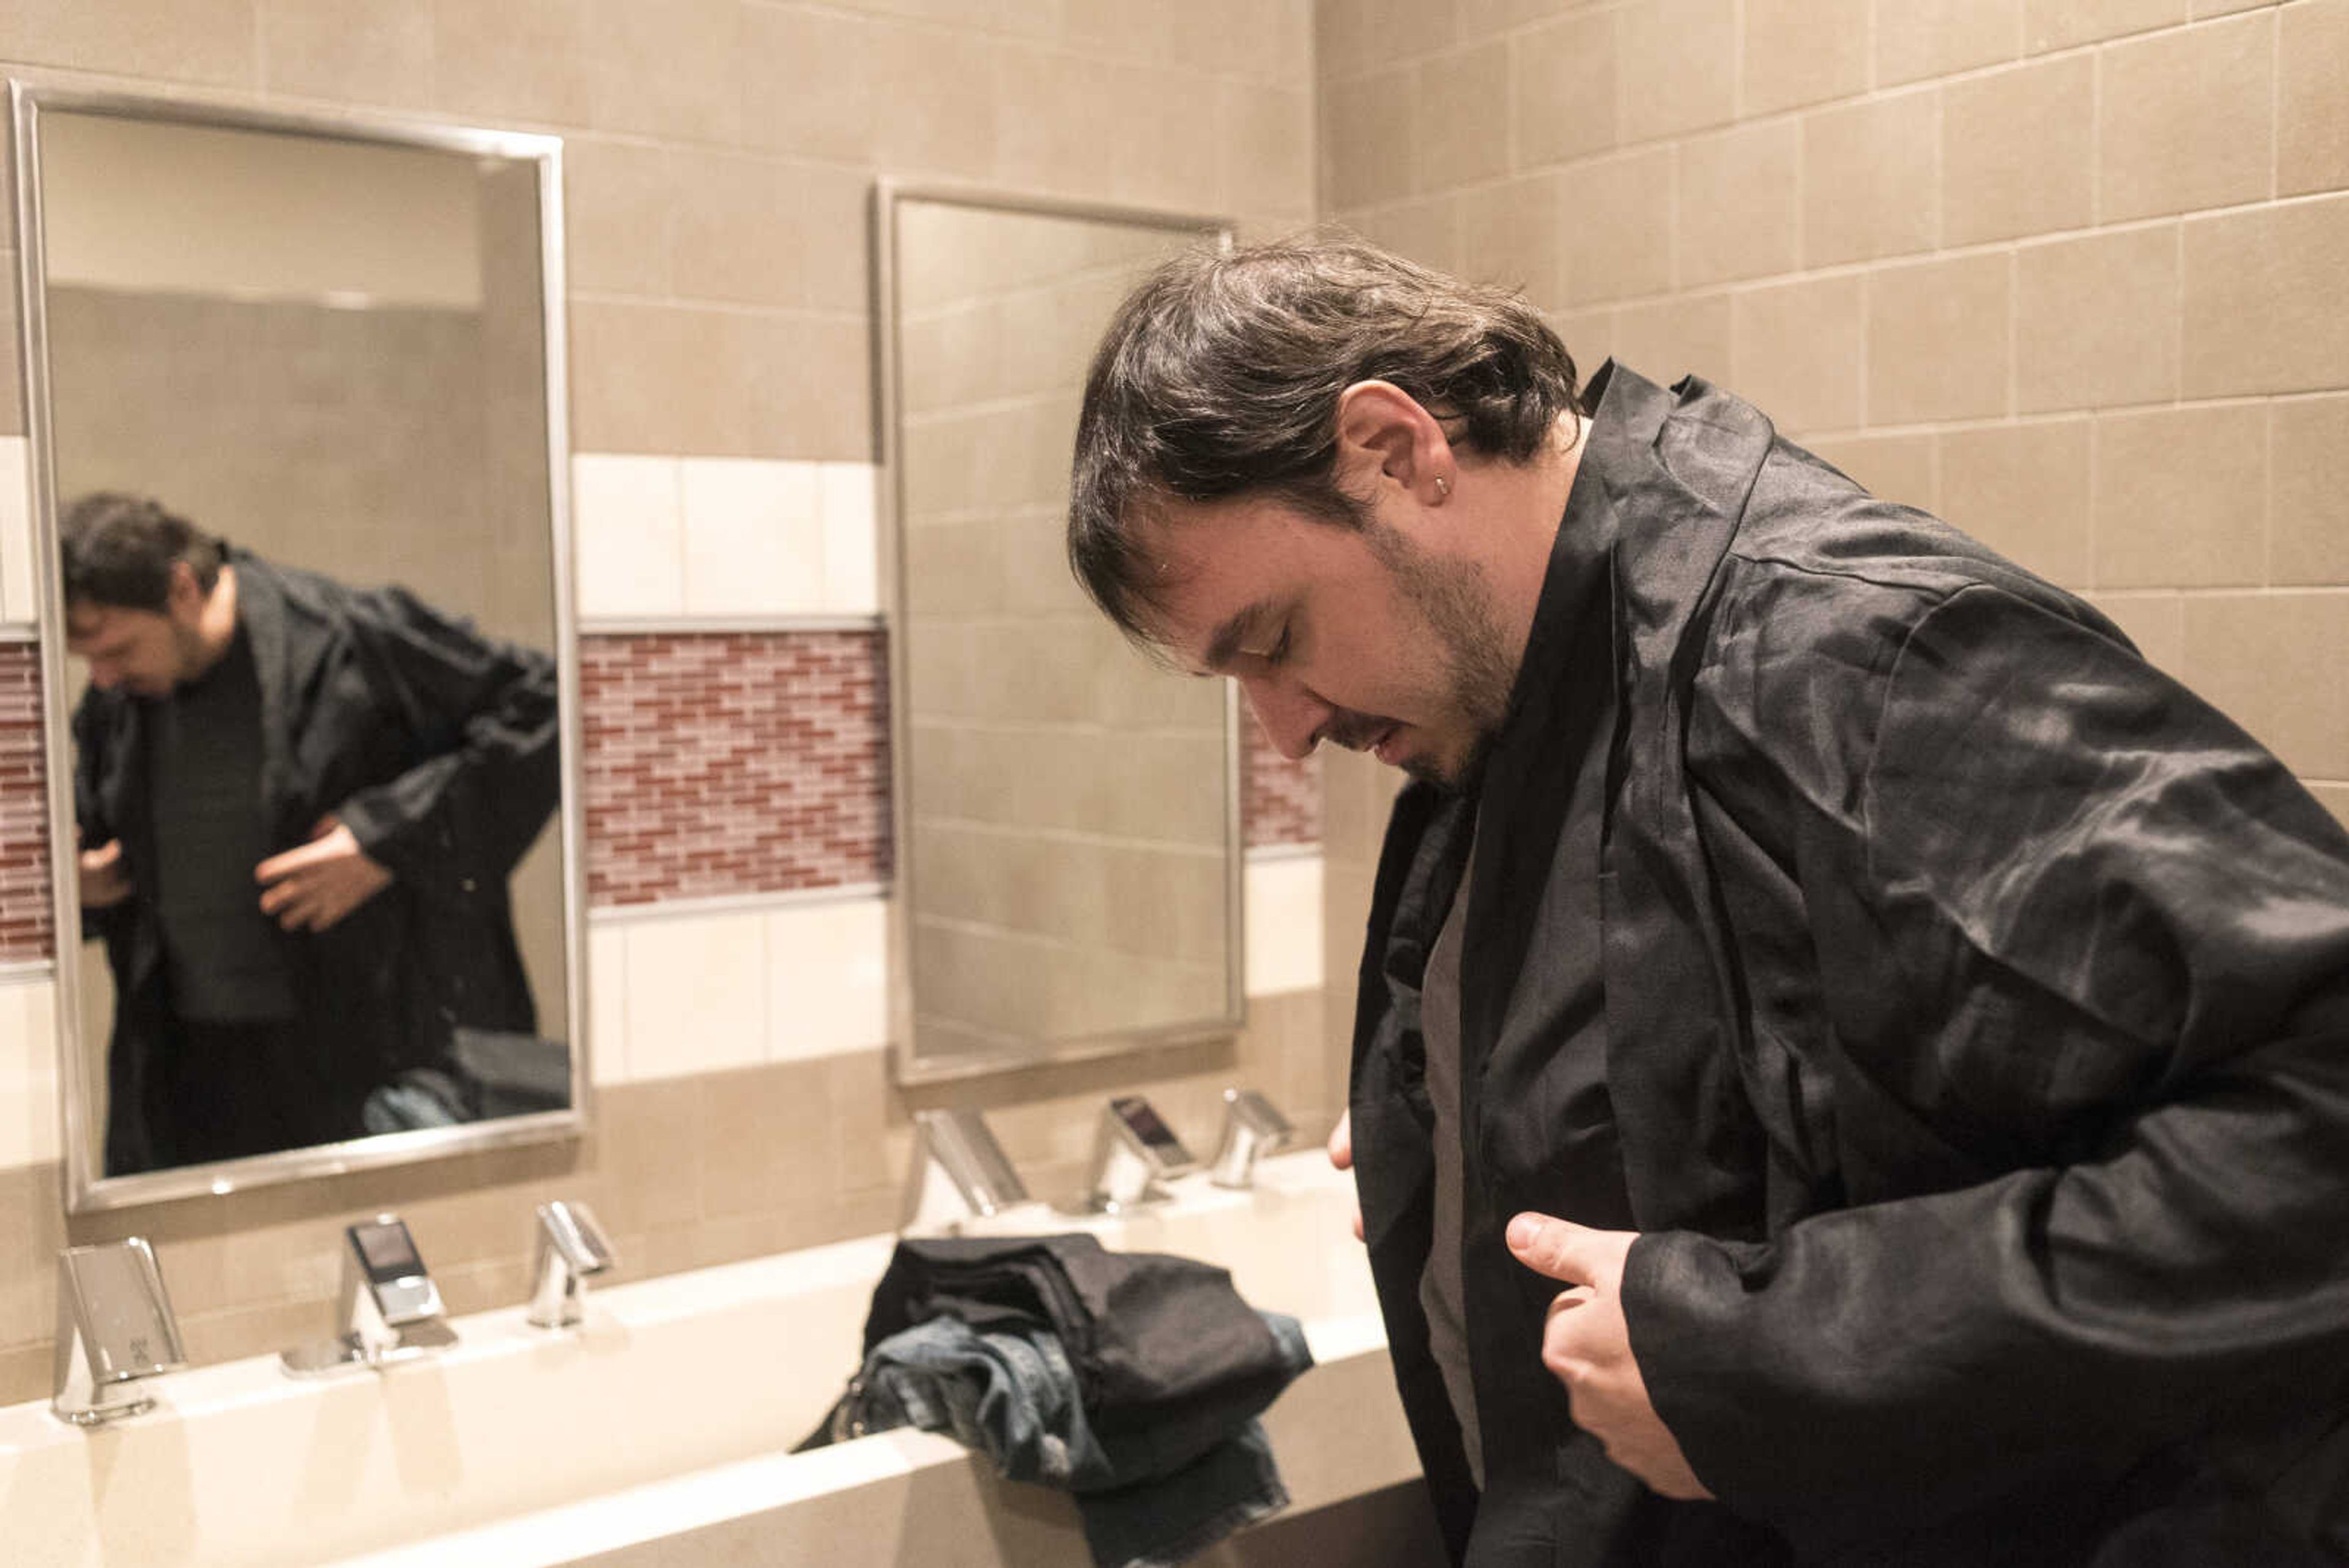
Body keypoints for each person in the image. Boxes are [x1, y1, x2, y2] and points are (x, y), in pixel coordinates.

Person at [1063, 239, 2349, 1566]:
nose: (1281, 733)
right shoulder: (1515, 703)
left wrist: (1763, 1361)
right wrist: (1455, 1103)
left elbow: (2317, 1123)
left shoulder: (1850, 653)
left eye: (1272, 641)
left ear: (1394, 450)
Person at [64, 493, 562, 1176]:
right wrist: (86, 886)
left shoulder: (351, 636)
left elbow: (548, 705)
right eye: (88, 658)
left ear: (181, 588)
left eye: (117, 647)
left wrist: (382, 840)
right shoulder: (117, 702)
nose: (103, 675)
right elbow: (101, 851)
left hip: (364, 1057)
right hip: (191, 1075)